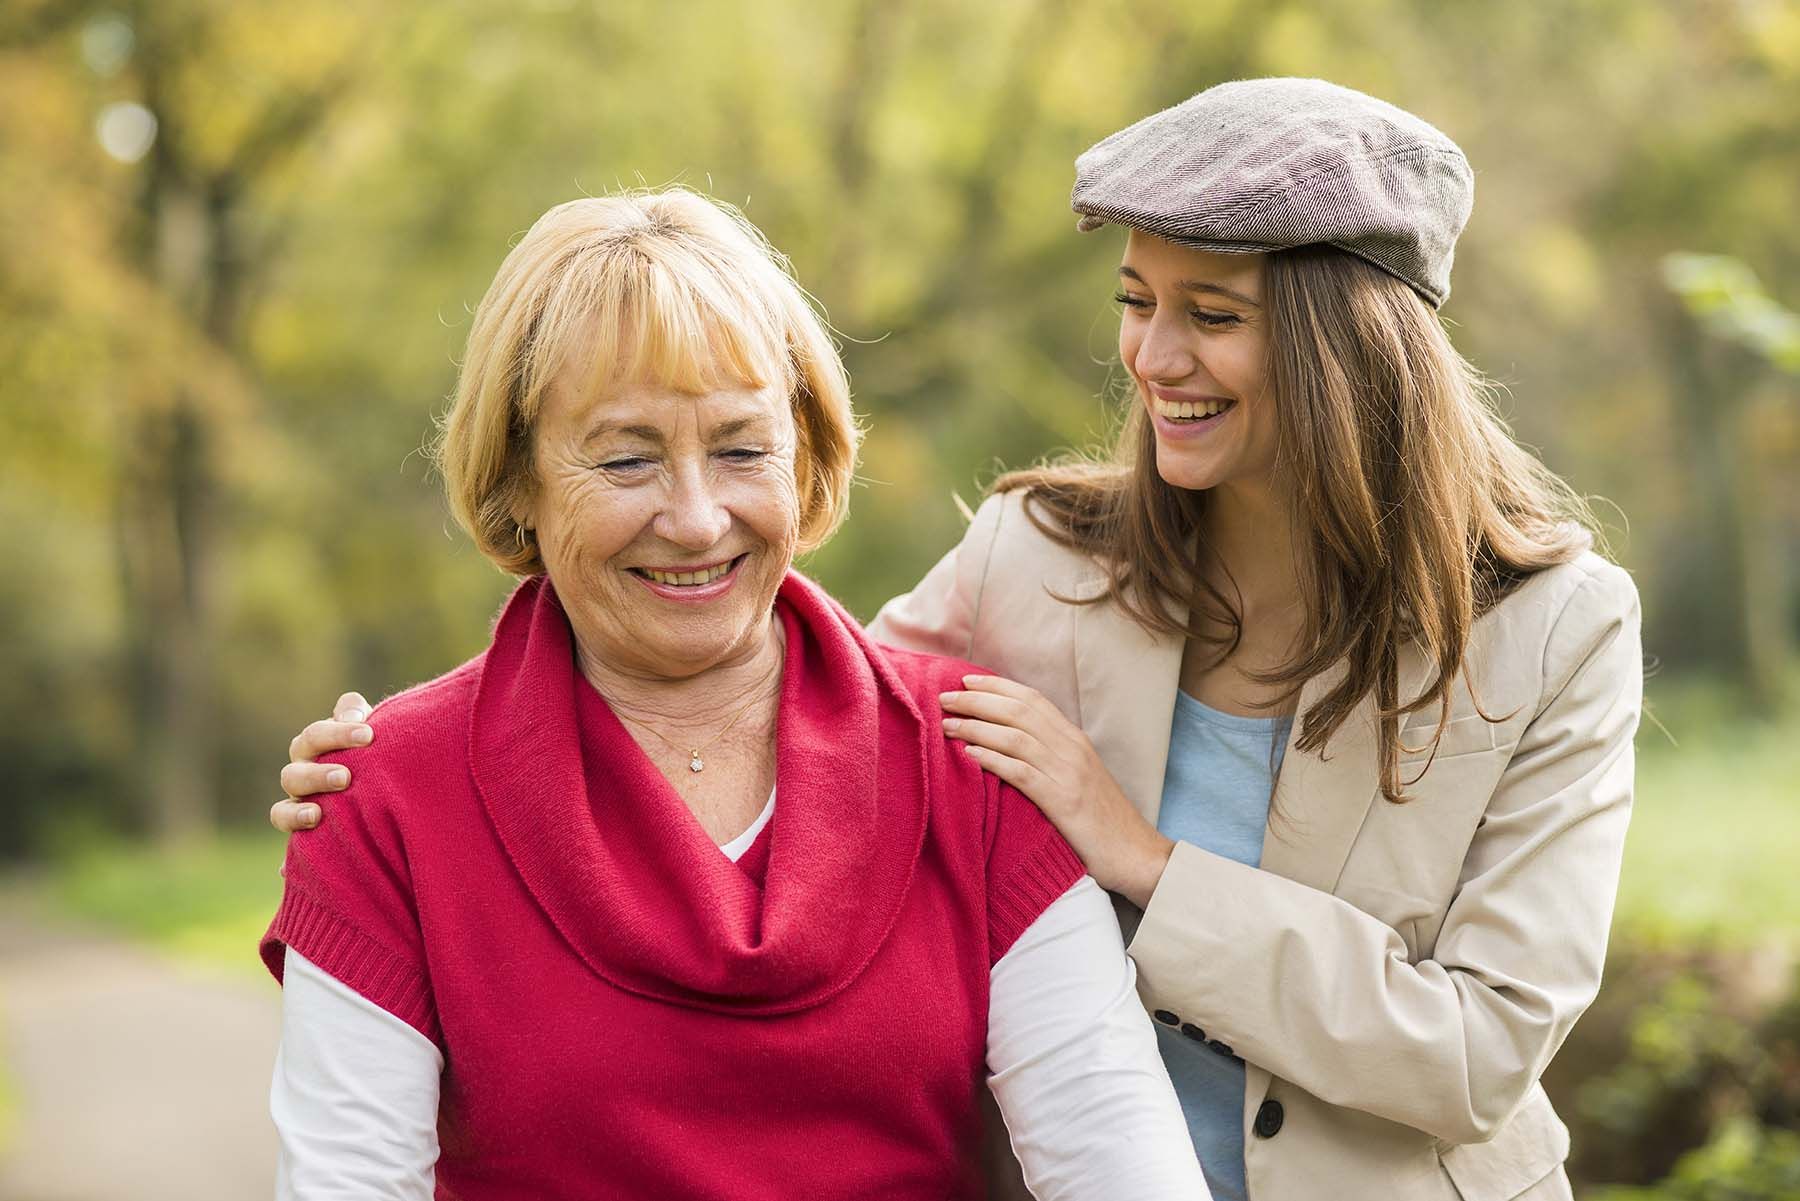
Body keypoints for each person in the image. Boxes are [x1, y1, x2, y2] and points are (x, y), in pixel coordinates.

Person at [274, 79, 1641, 1201]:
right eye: (1135, 300)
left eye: (1209, 316)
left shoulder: (1556, 634)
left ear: (1351, 353)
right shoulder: (1042, 562)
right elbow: (771, 708)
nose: (1150, 356)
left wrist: (1147, 865)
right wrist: (409, 773)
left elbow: (1477, 1051)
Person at [257, 187, 1207, 1200]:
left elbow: (1116, 1158)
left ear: (805, 459)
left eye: (742, 448)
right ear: (519, 478)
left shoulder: (975, 757)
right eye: (626, 458)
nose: (699, 518)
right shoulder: (388, 799)